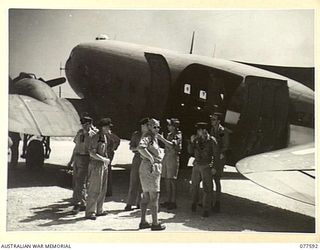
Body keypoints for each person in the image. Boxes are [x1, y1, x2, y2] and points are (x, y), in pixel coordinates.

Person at [138, 118, 166, 231]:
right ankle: (155, 223)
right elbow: (140, 147)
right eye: (154, 127)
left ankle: (143, 221)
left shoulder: (153, 138)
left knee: (146, 196)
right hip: (150, 168)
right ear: (149, 126)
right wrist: (150, 158)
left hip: (150, 167)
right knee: (154, 196)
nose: (157, 129)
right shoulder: (148, 137)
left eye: (158, 127)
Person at [67, 116, 98, 214]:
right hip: (77, 158)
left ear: (90, 124)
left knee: (80, 182)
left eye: (86, 124)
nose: (84, 126)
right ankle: (83, 203)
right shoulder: (80, 133)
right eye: (83, 124)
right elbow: (76, 147)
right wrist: (71, 161)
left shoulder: (93, 135)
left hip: (86, 159)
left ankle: (77, 204)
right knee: (76, 181)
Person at [188, 122, 218, 217]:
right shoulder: (196, 139)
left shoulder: (212, 140)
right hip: (197, 165)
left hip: (206, 165)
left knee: (207, 188)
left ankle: (206, 209)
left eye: (199, 130)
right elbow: (190, 151)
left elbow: (216, 155)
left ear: (204, 130)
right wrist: (191, 142)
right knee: (194, 186)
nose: (197, 132)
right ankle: (194, 202)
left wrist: (214, 167)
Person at [85, 118, 111, 220]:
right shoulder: (96, 137)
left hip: (103, 165)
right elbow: (92, 153)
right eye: (108, 126)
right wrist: (104, 159)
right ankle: (90, 212)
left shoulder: (104, 136)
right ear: (103, 127)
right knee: (94, 189)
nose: (109, 128)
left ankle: (99, 210)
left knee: (103, 189)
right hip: (96, 165)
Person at [124, 117, 150, 211]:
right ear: (143, 126)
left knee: (144, 182)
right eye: (147, 125)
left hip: (146, 159)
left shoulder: (150, 136)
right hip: (138, 158)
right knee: (134, 180)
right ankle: (129, 203)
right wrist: (138, 149)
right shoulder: (136, 135)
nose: (149, 127)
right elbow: (131, 147)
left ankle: (140, 202)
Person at [157, 118, 182, 210]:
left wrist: (162, 139)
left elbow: (172, 145)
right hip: (167, 157)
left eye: (170, 125)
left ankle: (173, 201)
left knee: (172, 180)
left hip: (173, 158)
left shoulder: (178, 135)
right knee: (167, 179)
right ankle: (168, 200)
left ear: (174, 127)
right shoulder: (169, 134)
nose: (168, 126)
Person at [210, 112, 229, 213]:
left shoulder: (222, 131)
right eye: (212, 119)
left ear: (218, 121)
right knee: (209, 179)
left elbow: (225, 145)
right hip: (213, 156)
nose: (212, 121)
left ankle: (217, 203)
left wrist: (220, 153)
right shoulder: (212, 130)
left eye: (214, 119)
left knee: (217, 179)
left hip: (219, 158)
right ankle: (209, 201)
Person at [103, 118, 121, 198]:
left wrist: (113, 148)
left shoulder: (109, 135)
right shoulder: (110, 135)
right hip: (108, 156)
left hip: (106, 156)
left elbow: (117, 141)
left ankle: (106, 191)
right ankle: (107, 191)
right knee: (107, 173)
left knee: (105, 174)